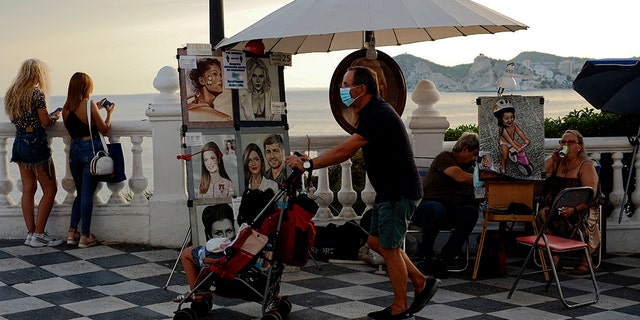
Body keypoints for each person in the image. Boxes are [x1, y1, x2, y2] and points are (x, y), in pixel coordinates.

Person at [286, 66, 439, 320]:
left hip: (399, 193)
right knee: (377, 242)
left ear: (361, 89)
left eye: (346, 85)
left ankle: (400, 307)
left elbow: (346, 150)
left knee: (389, 249)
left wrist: (309, 164)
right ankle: (421, 281)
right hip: (387, 192)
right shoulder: (370, 112)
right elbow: (347, 145)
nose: (342, 90)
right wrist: (311, 160)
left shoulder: (378, 115)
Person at [4, 58, 63, 247]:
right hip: (35, 143)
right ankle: (39, 234)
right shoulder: (36, 93)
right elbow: (45, 122)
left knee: (28, 189)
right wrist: (55, 115)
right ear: (38, 74)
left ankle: (31, 233)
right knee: (50, 189)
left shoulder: (13, 93)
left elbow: (15, 120)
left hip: (20, 142)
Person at [412, 133, 480, 279]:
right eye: (474, 154)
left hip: (451, 210)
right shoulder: (445, 157)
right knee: (436, 209)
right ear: (465, 149)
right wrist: (486, 177)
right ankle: (425, 257)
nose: (475, 159)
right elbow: (459, 177)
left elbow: (470, 196)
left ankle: (444, 259)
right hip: (426, 208)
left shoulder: (470, 169)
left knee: (470, 212)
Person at [62, 72, 114, 248]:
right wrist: (109, 113)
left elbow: (77, 126)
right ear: (86, 87)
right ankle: (85, 236)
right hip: (89, 150)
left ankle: (71, 233)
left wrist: (94, 111)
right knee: (86, 194)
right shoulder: (89, 105)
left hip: (74, 152)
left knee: (79, 192)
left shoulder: (65, 109)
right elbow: (104, 129)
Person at [539, 129, 599, 274]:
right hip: (556, 208)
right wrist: (553, 159)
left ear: (579, 146)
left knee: (577, 220)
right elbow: (540, 176)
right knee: (543, 214)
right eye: (563, 142)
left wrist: (574, 209)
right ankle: (555, 255)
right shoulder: (557, 163)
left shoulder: (586, 165)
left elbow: (591, 194)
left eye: (570, 142)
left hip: (580, 208)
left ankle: (586, 259)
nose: (566, 145)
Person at [173, 203, 236, 302]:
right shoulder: (243, 240)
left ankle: (196, 292)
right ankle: (199, 290)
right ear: (209, 235)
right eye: (219, 233)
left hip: (219, 261)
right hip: (231, 260)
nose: (225, 237)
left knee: (186, 253)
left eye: (229, 231)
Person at [187, 57, 232, 121]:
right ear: (202, 81)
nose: (220, 79)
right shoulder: (225, 118)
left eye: (220, 75)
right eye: (214, 74)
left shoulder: (192, 106)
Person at [493, 98, 530, 173]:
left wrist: (525, 139)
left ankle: (521, 159)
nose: (510, 120)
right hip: (505, 143)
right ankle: (503, 166)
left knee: (521, 149)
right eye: (506, 118)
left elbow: (519, 132)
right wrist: (516, 147)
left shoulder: (513, 124)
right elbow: (508, 140)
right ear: (501, 119)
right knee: (505, 156)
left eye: (511, 117)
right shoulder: (502, 130)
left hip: (512, 140)